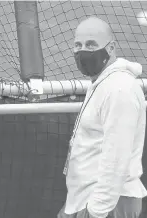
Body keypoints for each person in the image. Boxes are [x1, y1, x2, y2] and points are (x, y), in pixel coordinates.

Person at [57, 17, 147, 218]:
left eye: (91, 45)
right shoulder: (103, 83)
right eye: (78, 45)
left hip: (106, 205)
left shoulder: (119, 89)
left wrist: (96, 211)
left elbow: (116, 156)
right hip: (87, 201)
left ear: (111, 47)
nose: (83, 51)